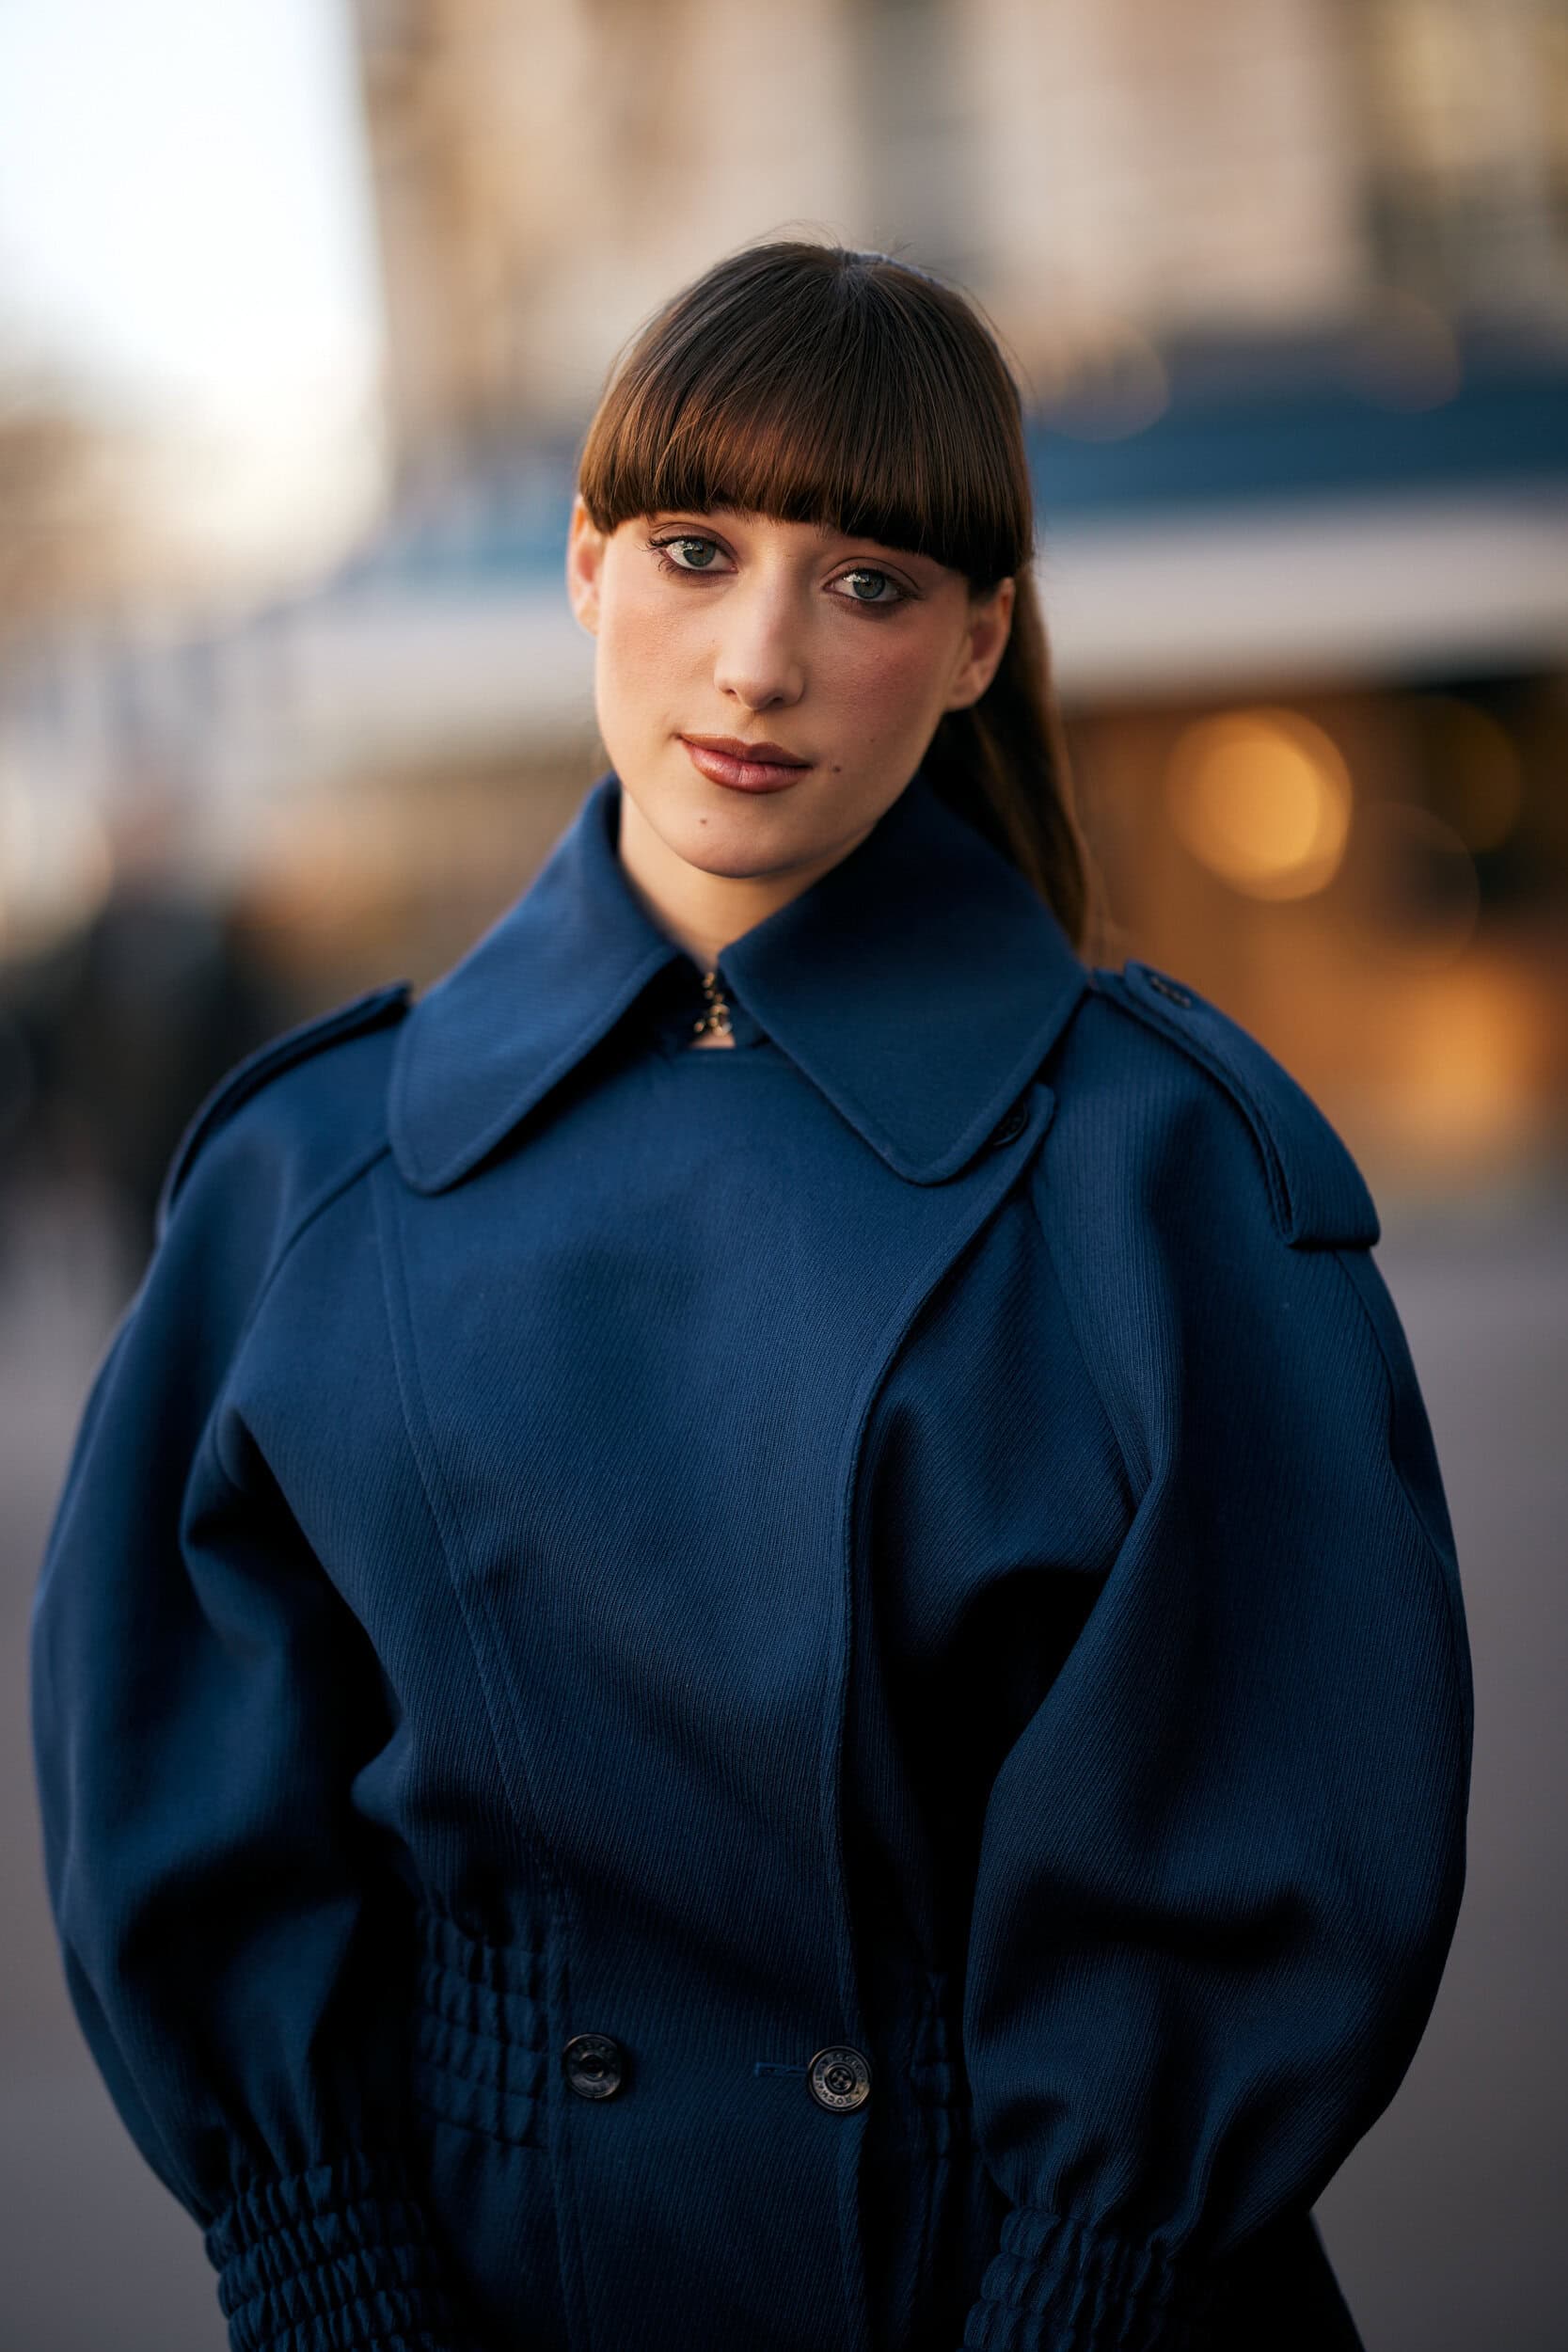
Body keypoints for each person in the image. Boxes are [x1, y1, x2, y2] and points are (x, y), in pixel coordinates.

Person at [29, 239, 1472, 2352]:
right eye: (697, 551)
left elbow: (1279, 1823)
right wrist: (329, 2277)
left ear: (982, 640)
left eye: (869, 582)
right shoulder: (301, 1174)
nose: (762, 658)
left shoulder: (1171, 1169)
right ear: (586, 567)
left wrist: (1080, 2294)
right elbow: (184, 1790)